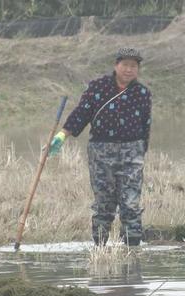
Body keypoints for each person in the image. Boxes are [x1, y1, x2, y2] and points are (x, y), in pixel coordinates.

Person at [48, 47, 152, 246]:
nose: (129, 70)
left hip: (132, 153)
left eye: (134, 66)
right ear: (116, 65)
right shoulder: (98, 87)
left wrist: (141, 151)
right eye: (125, 65)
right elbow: (81, 114)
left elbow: (146, 126)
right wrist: (61, 136)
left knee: (130, 204)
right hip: (101, 152)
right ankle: (100, 247)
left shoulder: (142, 93)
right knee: (104, 204)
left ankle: (132, 250)